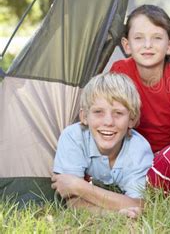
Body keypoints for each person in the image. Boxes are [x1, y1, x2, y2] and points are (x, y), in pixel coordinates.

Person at [52, 73, 153, 218]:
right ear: (84, 117)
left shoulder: (139, 149)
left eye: (118, 113)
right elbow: (72, 200)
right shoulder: (73, 137)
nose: (108, 122)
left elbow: (138, 204)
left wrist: (79, 186)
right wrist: (115, 214)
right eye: (98, 112)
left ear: (132, 120)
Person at [111, 4, 170, 153]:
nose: (148, 45)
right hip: (128, 151)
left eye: (157, 38)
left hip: (169, 153)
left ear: (169, 46)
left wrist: (164, 160)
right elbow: (113, 120)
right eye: (139, 38)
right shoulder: (120, 71)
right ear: (127, 45)